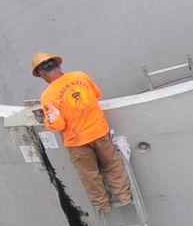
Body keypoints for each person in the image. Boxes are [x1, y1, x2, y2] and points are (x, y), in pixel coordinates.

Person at [33, 53, 132, 213]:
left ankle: (103, 205)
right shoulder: (80, 76)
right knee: (112, 165)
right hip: (99, 131)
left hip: (77, 141)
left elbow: (58, 124)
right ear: (58, 66)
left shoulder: (48, 95)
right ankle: (124, 196)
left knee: (90, 175)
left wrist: (45, 120)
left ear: (43, 74)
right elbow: (97, 95)